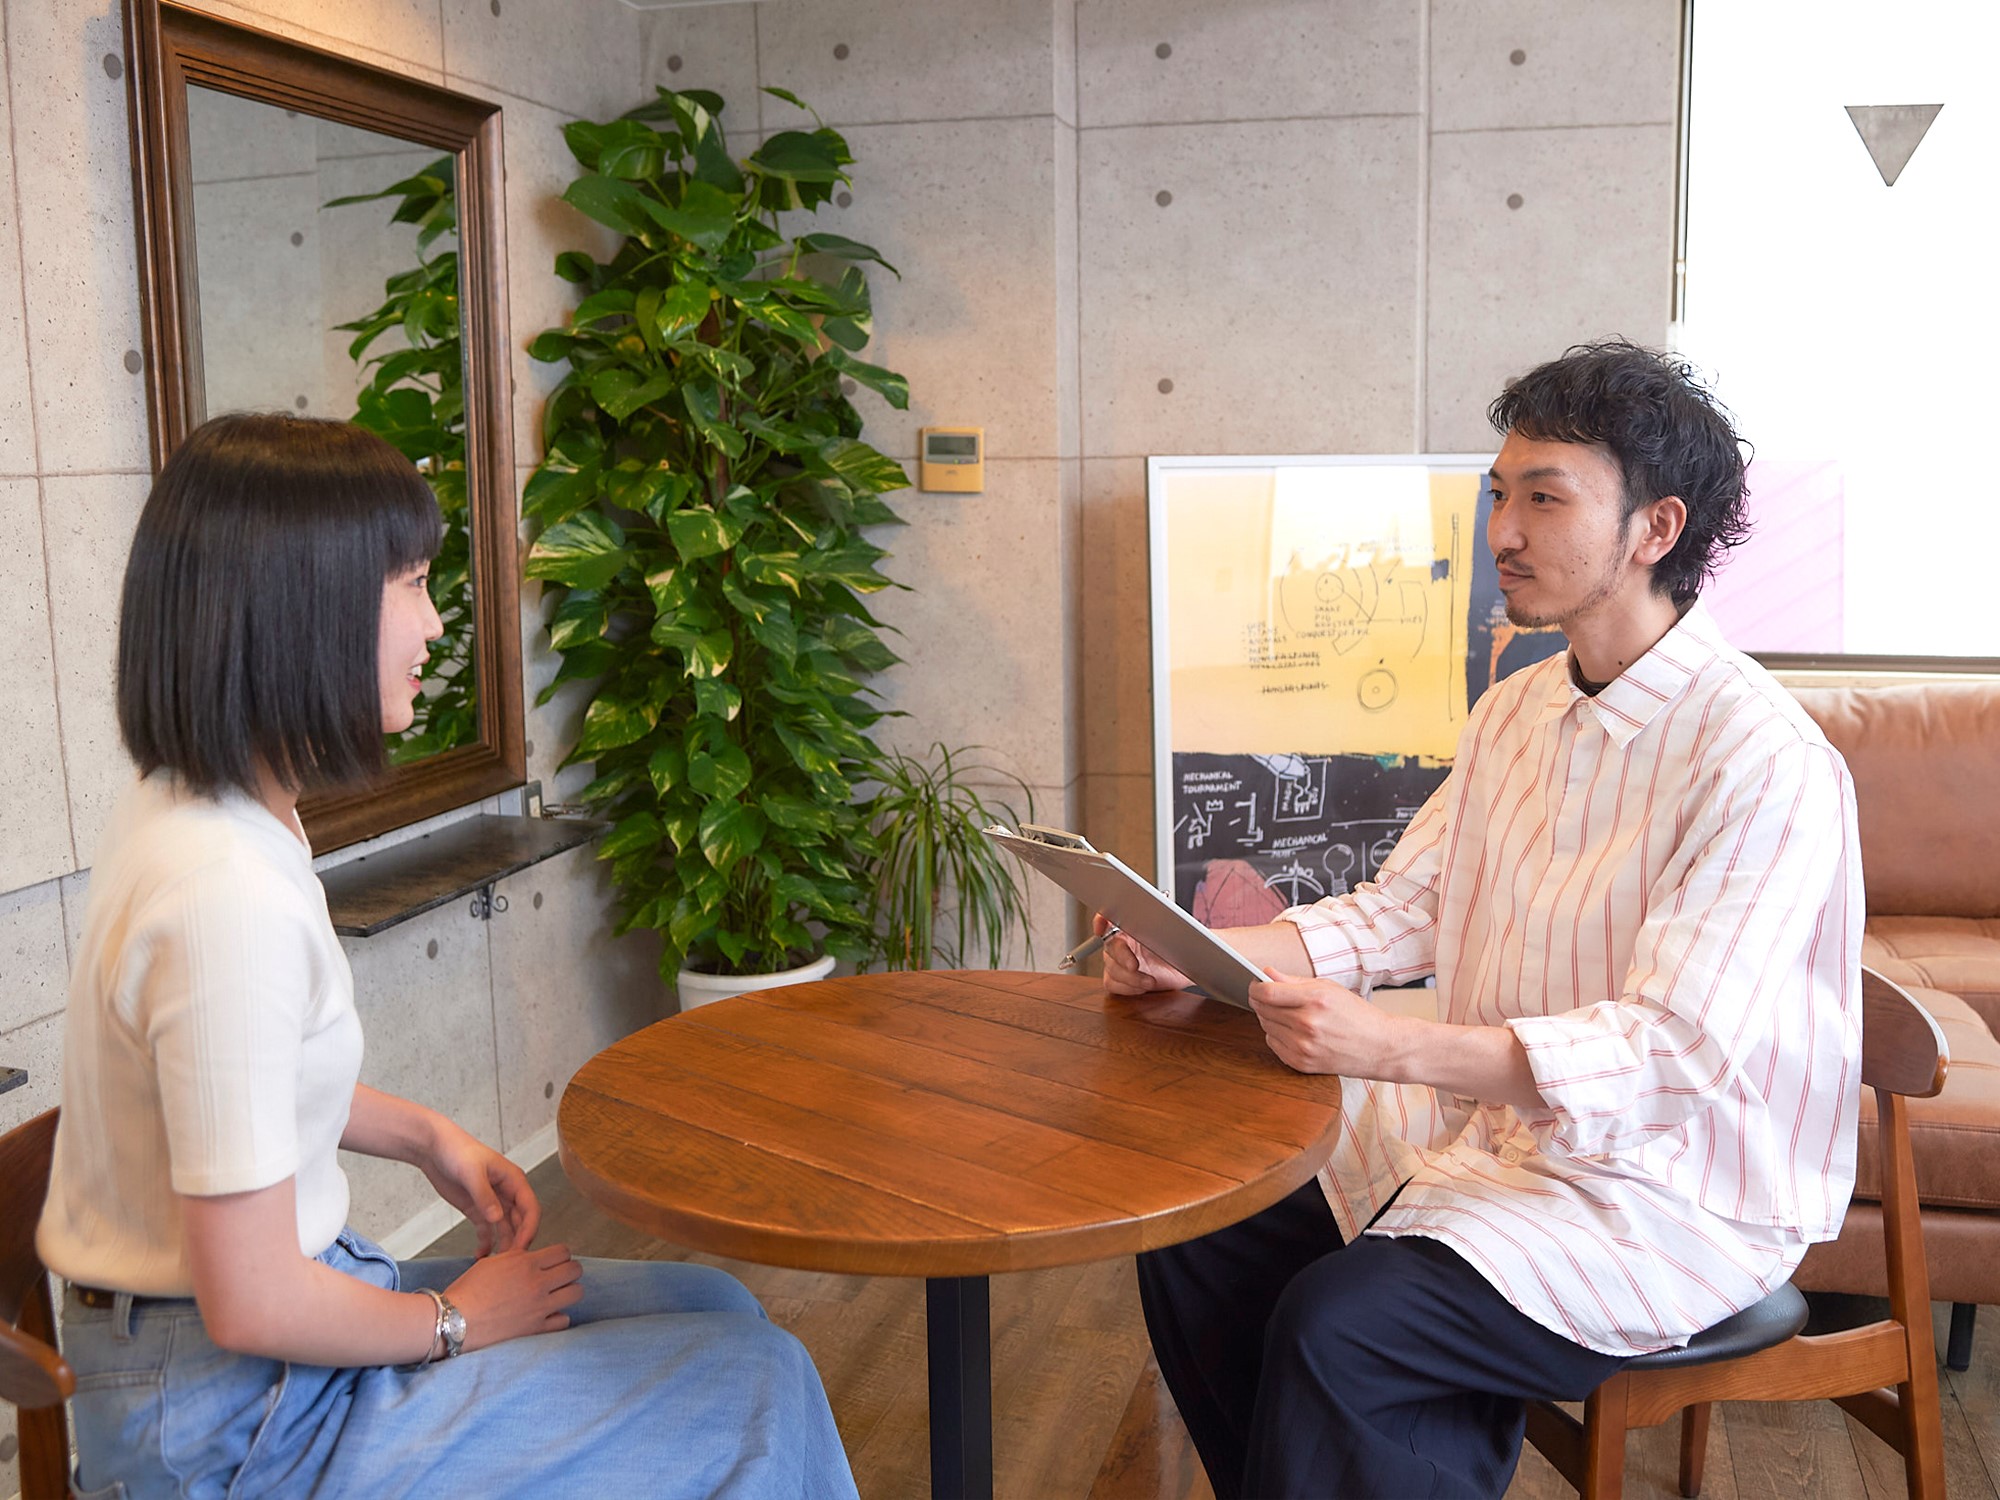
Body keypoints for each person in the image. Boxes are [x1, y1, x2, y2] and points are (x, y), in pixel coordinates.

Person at [38, 413, 859, 1500]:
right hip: (238, 1420)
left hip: (242, 1352)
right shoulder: (217, 896)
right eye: (412, 584)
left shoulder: (218, 806)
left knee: (717, 1312)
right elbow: (251, 1302)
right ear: (304, 608)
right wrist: (458, 1320)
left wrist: (425, 1133)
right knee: (750, 1374)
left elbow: (237, 1085)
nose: (434, 626)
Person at [1101, 341, 1863, 1500]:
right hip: (1489, 1132)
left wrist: (1387, 1043)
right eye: (1496, 494)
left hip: (1669, 1190)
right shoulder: (1516, 707)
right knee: (1196, 1220)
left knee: (1343, 1327)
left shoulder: (1758, 757)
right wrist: (1195, 950)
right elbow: (1404, 908)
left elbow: (1673, 1053)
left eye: (1543, 498)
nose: (1501, 530)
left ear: (1654, 529)